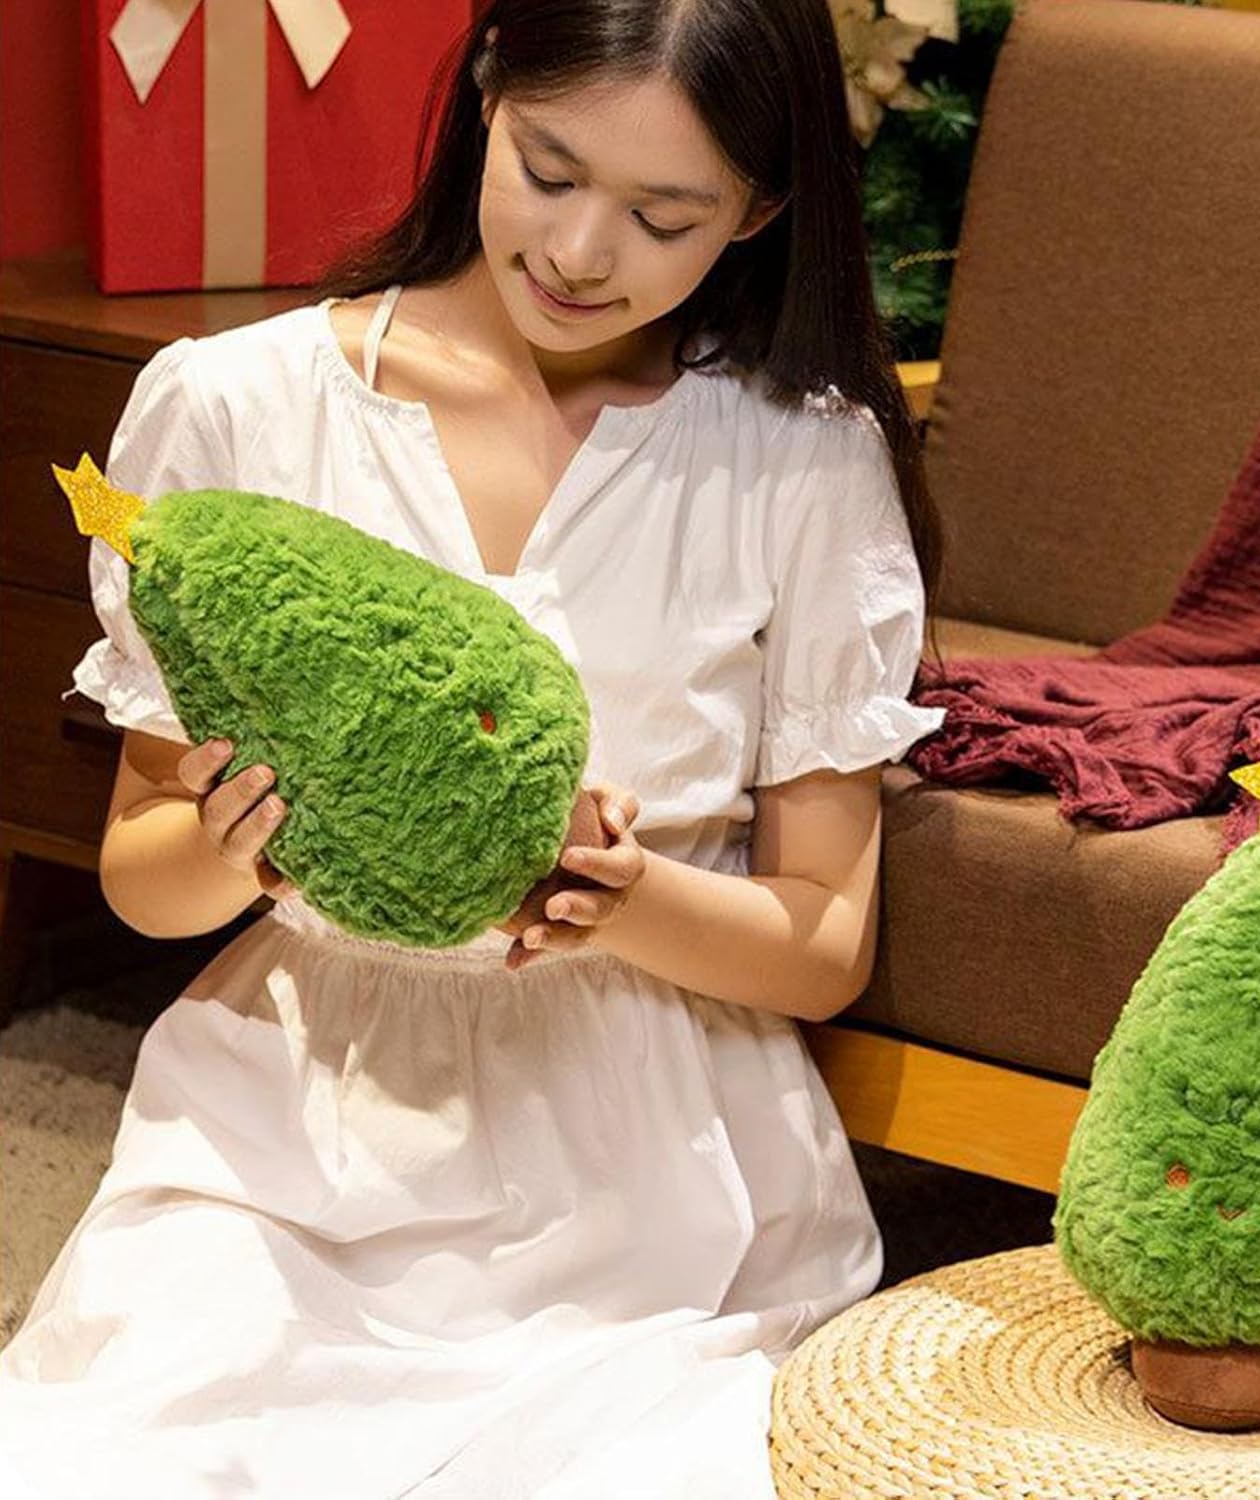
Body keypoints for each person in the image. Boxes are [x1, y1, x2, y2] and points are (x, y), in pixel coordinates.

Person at [0, 1, 948, 1494]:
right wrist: (238, 846)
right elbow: (141, 875)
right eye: (549, 171)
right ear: (488, 95)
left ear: (761, 213)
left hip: (645, 1150)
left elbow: (824, 940)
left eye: (663, 216)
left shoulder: (797, 459)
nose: (579, 251)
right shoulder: (242, 405)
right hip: (302, 1115)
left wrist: (622, 898)